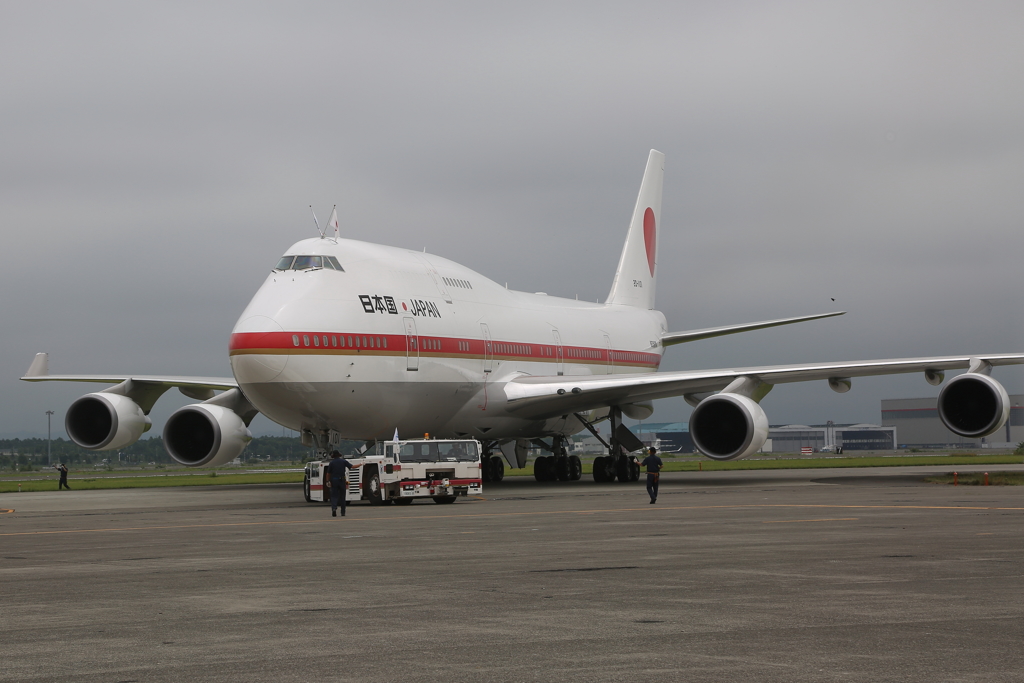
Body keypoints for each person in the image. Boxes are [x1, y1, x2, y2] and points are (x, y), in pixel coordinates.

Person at [326, 450, 361, 517]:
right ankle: (343, 512)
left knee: (334, 496)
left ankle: (334, 508)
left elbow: (328, 473)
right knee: (342, 497)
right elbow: (352, 467)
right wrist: (360, 464)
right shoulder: (343, 461)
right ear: (339, 454)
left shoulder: (332, 463)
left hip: (334, 481)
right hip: (342, 480)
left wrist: (328, 481)